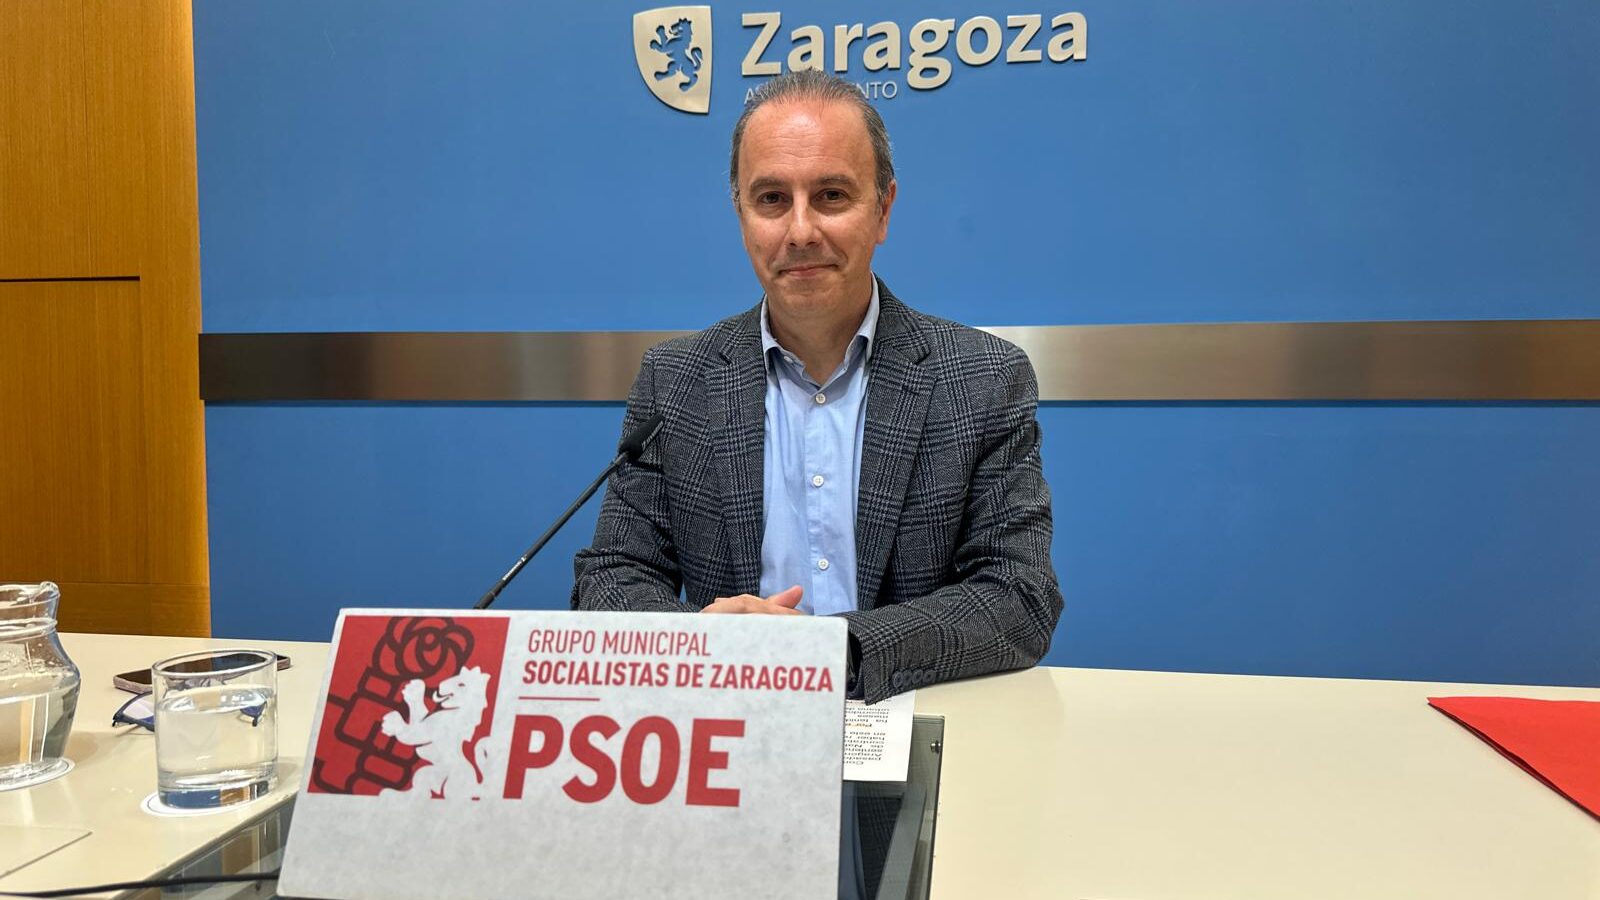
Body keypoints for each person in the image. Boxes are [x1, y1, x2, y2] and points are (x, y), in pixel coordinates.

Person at [572, 70, 1061, 703]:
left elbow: (1019, 596)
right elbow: (611, 576)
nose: (800, 231)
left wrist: (830, 652)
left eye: (831, 195)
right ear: (741, 215)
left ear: (883, 209)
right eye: (772, 199)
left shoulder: (984, 378)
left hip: (907, 726)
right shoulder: (676, 380)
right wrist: (702, 643)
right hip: (731, 727)